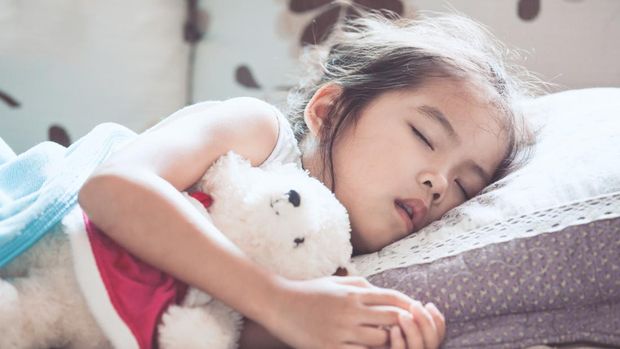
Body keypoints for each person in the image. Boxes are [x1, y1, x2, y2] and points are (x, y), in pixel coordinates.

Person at [76, 10, 534, 349]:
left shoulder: (338, 272)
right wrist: (280, 301)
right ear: (328, 111)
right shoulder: (259, 136)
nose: (439, 183)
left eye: (465, 187)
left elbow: (224, 330)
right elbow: (113, 186)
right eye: (423, 134)